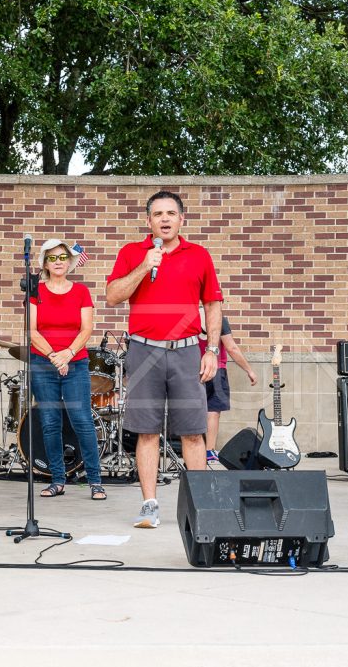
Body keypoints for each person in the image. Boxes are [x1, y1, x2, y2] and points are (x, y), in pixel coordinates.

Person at [107, 190, 223, 528]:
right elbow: (113, 296)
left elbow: (212, 305)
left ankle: (200, 508)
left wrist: (212, 350)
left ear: (182, 219)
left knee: (193, 432)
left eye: (171, 213)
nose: (165, 219)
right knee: (147, 431)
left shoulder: (198, 255)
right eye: (158, 214)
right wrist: (145, 266)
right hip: (145, 350)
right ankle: (149, 505)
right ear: (149, 221)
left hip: (187, 350)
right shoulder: (132, 253)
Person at [29, 239, 105, 500]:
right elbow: (32, 331)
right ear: (45, 263)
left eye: (62, 257)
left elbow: (87, 329)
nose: (58, 262)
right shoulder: (36, 291)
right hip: (43, 363)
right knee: (50, 423)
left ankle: (95, 481)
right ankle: (57, 480)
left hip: (75, 363)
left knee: (82, 421)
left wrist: (68, 354)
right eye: (52, 258)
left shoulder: (81, 291)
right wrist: (53, 356)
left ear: (69, 261)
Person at [199, 308, 258, 463]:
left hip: (194, 369)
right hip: (216, 369)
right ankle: (209, 451)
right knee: (213, 411)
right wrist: (249, 370)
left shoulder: (192, 317)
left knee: (193, 411)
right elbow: (231, 347)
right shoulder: (219, 319)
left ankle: (194, 450)